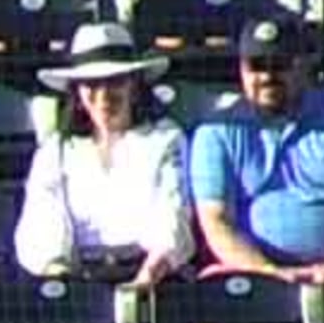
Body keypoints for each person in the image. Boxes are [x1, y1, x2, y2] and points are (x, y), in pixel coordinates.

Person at [190, 16, 324, 282]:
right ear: (241, 68)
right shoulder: (215, 132)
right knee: (211, 294)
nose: (267, 76)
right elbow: (216, 222)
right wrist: (271, 275)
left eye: (280, 64)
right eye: (257, 65)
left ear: (303, 65)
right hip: (253, 272)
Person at [16, 23, 197, 284]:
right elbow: (41, 221)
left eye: (114, 82)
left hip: (155, 277)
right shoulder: (55, 151)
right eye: (91, 84)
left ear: (134, 86)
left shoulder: (165, 138)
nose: (103, 95)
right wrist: (67, 283)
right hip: (77, 279)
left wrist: (145, 280)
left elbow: (173, 215)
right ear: (77, 93)